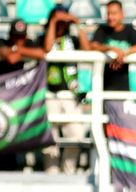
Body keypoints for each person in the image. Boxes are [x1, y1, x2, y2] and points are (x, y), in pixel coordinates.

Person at [39, 5, 90, 174]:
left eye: (63, 21)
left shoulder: (72, 39)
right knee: (49, 138)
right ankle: (51, 172)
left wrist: (77, 23)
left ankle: (69, 171)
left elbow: (87, 50)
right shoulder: (43, 37)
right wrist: (54, 21)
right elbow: (47, 48)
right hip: (49, 93)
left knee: (76, 134)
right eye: (57, 20)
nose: (61, 24)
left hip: (70, 94)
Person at [89, 0, 136, 92]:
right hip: (103, 86)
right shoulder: (102, 30)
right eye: (108, 13)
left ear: (122, 14)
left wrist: (124, 52)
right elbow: (93, 45)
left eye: (113, 13)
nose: (110, 17)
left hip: (123, 86)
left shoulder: (130, 31)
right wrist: (111, 49)